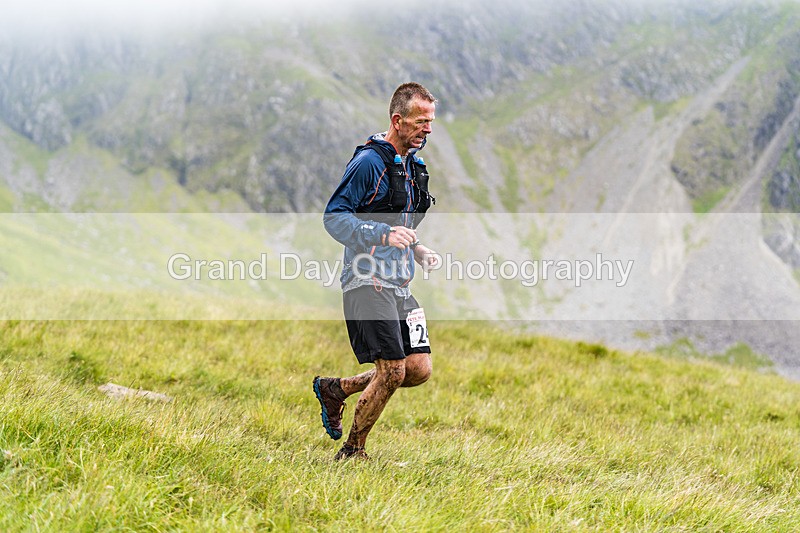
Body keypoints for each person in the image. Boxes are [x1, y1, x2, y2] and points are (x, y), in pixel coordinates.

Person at [315, 82, 441, 460]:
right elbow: (334, 218)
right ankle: (353, 452)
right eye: (421, 122)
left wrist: (415, 247)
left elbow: (400, 219)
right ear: (397, 120)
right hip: (366, 280)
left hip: (400, 281)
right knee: (391, 371)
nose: (428, 129)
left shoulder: (413, 165)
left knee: (417, 369)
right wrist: (383, 234)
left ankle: (335, 389)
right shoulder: (369, 162)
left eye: (431, 122)